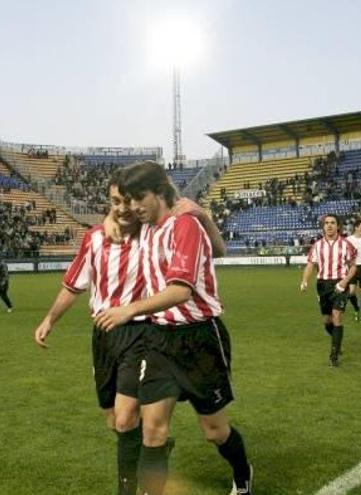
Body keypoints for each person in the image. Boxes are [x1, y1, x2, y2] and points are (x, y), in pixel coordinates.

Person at [34, 172, 224, 495]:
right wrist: (50, 319)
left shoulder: (149, 233)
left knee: (125, 418)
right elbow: (73, 284)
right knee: (117, 422)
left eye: (128, 201)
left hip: (139, 333)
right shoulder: (94, 238)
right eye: (115, 203)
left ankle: (129, 486)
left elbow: (190, 235)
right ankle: (154, 451)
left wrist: (200, 216)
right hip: (104, 336)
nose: (123, 209)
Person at [94, 162, 253, 495]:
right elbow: (118, 219)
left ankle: (242, 473)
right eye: (129, 200)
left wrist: (129, 309)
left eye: (140, 198)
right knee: (152, 432)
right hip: (159, 340)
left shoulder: (185, 226)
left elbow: (181, 290)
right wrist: (110, 217)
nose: (134, 207)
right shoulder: (145, 225)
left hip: (200, 339)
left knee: (214, 431)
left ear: (159, 193)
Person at [300, 214, 357, 367]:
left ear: (338, 226)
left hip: (339, 284)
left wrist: (344, 282)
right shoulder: (317, 245)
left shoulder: (346, 244)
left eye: (333, 223)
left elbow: (353, 267)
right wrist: (305, 280)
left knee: (337, 316)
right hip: (323, 285)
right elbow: (310, 264)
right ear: (323, 226)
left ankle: (334, 354)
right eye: (326, 223)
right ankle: (337, 341)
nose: (329, 225)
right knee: (327, 321)